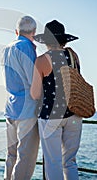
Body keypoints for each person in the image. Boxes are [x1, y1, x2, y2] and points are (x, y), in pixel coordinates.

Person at [31, 20, 82, 180]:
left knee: (53, 163)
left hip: (51, 116)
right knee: (70, 161)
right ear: (64, 40)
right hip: (74, 114)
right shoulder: (73, 56)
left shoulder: (41, 60)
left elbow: (35, 94)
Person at [2, 16, 40, 180]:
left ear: (16, 31)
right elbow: (34, 81)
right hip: (27, 110)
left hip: (11, 108)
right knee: (26, 157)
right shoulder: (26, 47)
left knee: (11, 154)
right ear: (34, 32)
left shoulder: (6, 49)